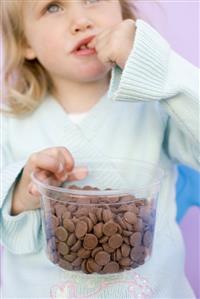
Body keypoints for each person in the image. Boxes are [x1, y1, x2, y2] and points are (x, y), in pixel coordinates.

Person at [0, 0, 199, 298]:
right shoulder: (9, 123)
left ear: (123, 15)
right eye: (52, 7)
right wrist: (21, 193)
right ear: (25, 42)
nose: (81, 20)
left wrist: (157, 67)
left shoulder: (158, 105)